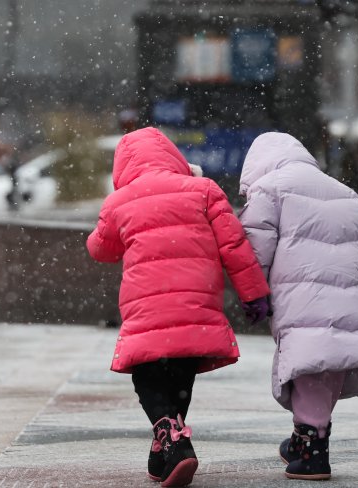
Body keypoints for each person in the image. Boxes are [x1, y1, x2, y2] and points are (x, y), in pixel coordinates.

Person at [86, 127, 270, 487]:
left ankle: (175, 445)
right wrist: (253, 294)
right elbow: (235, 247)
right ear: (174, 157)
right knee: (181, 372)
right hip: (196, 301)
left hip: (147, 305)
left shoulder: (121, 200)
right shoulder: (204, 190)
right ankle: (165, 452)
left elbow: (100, 249)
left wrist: (112, 215)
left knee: (147, 374)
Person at [237, 132, 358, 481]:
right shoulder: (344, 192)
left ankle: (313, 448)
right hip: (346, 292)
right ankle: (307, 434)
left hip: (298, 291)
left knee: (307, 361)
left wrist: (253, 291)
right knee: (327, 362)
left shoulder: (269, 190)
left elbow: (255, 245)